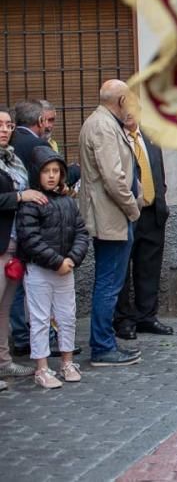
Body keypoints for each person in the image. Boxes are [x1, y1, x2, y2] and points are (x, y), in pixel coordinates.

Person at [78, 80, 142, 367]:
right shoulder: (103, 126)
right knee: (109, 283)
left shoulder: (103, 122)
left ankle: (103, 343)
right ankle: (103, 347)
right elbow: (114, 178)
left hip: (112, 215)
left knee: (109, 281)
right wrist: (133, 209)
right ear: (121, 100)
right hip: (111, 216)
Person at [17, 146, 89, 389]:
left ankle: (67, 362)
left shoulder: (68, 202)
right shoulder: (31, 203)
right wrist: (56, 261)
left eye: (56, 171)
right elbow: (30, 238)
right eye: (46, 171)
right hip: (40, 270)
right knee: (40, 319)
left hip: (65, 269)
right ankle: (42, 367)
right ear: (37, 173)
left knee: (67, 316)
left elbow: (80, 232)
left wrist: (71, 259)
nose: (51, 176)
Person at [114, 112, 172, 340]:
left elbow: (159, 172)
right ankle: (123, 320)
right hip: (126, 213)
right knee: (122, 271)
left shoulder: (150, 137)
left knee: (149, 267)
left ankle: (146, 316)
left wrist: (161, 199)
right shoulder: (116, 138)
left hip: (152, 212)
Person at [0, 106, 45, 387]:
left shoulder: (12, 158)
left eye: (8, 125)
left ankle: (4, 363)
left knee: (4, 308)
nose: (5, 129)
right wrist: (20, 196)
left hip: (16, 241)